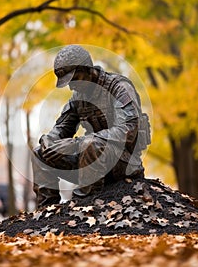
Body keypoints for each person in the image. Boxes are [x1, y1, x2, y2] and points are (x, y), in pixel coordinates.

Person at [32, 45, 151, 208]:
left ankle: (84, 205)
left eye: (73, 79)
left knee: (90, 145)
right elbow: (62, 127)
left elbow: (128, 130)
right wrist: (49, 140)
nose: (71, 86)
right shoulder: (78, 98)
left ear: (86, 69)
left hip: (123, 163)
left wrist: (76, 144)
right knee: (40, 152)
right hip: (89, 161)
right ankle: (47, 209)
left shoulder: (119, 87)